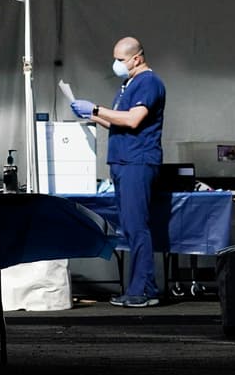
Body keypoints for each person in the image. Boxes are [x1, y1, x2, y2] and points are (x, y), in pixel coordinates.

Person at [70, 36, 167, 309]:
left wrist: (97, 109)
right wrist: (92, 115)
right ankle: (139, 287)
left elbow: (133, 120)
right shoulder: (128, 84)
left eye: (121, 60)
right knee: (131, 227)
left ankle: (144, 289)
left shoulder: (148, 82)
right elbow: (119, 123)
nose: (116, 64)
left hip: (137, 162)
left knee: (137, 227)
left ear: (137, 58)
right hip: (124, 162)